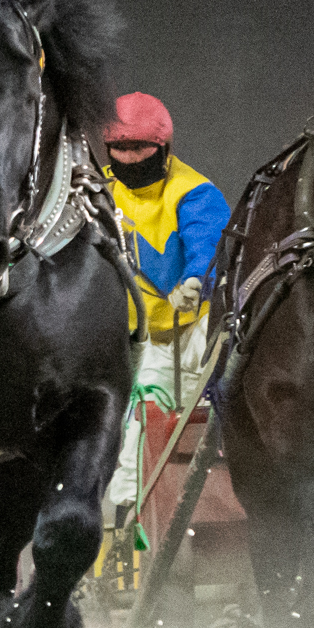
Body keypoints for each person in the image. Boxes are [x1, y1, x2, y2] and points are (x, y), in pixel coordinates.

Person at [103, 91, 232, 520]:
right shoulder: (97, 191)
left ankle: (122, 522)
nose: (130, 158)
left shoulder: (194, 192)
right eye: (119, 149)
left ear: (164, 148)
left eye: (140, 148)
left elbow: (208, 243)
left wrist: (197, 280)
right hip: (116, 340)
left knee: (143, 410)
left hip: (182, 335)